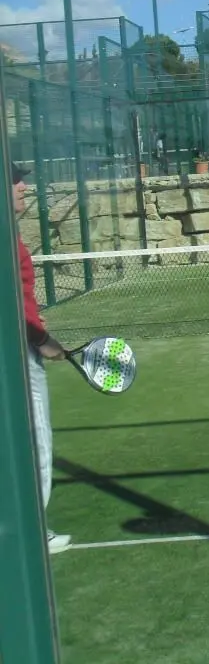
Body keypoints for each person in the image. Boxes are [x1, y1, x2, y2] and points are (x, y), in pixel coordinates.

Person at [12, 162, 72, 555]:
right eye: (14, 181)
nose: (22, 186)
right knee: (36, 442)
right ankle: (32, 532)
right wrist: (42, 338)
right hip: (17, 355)